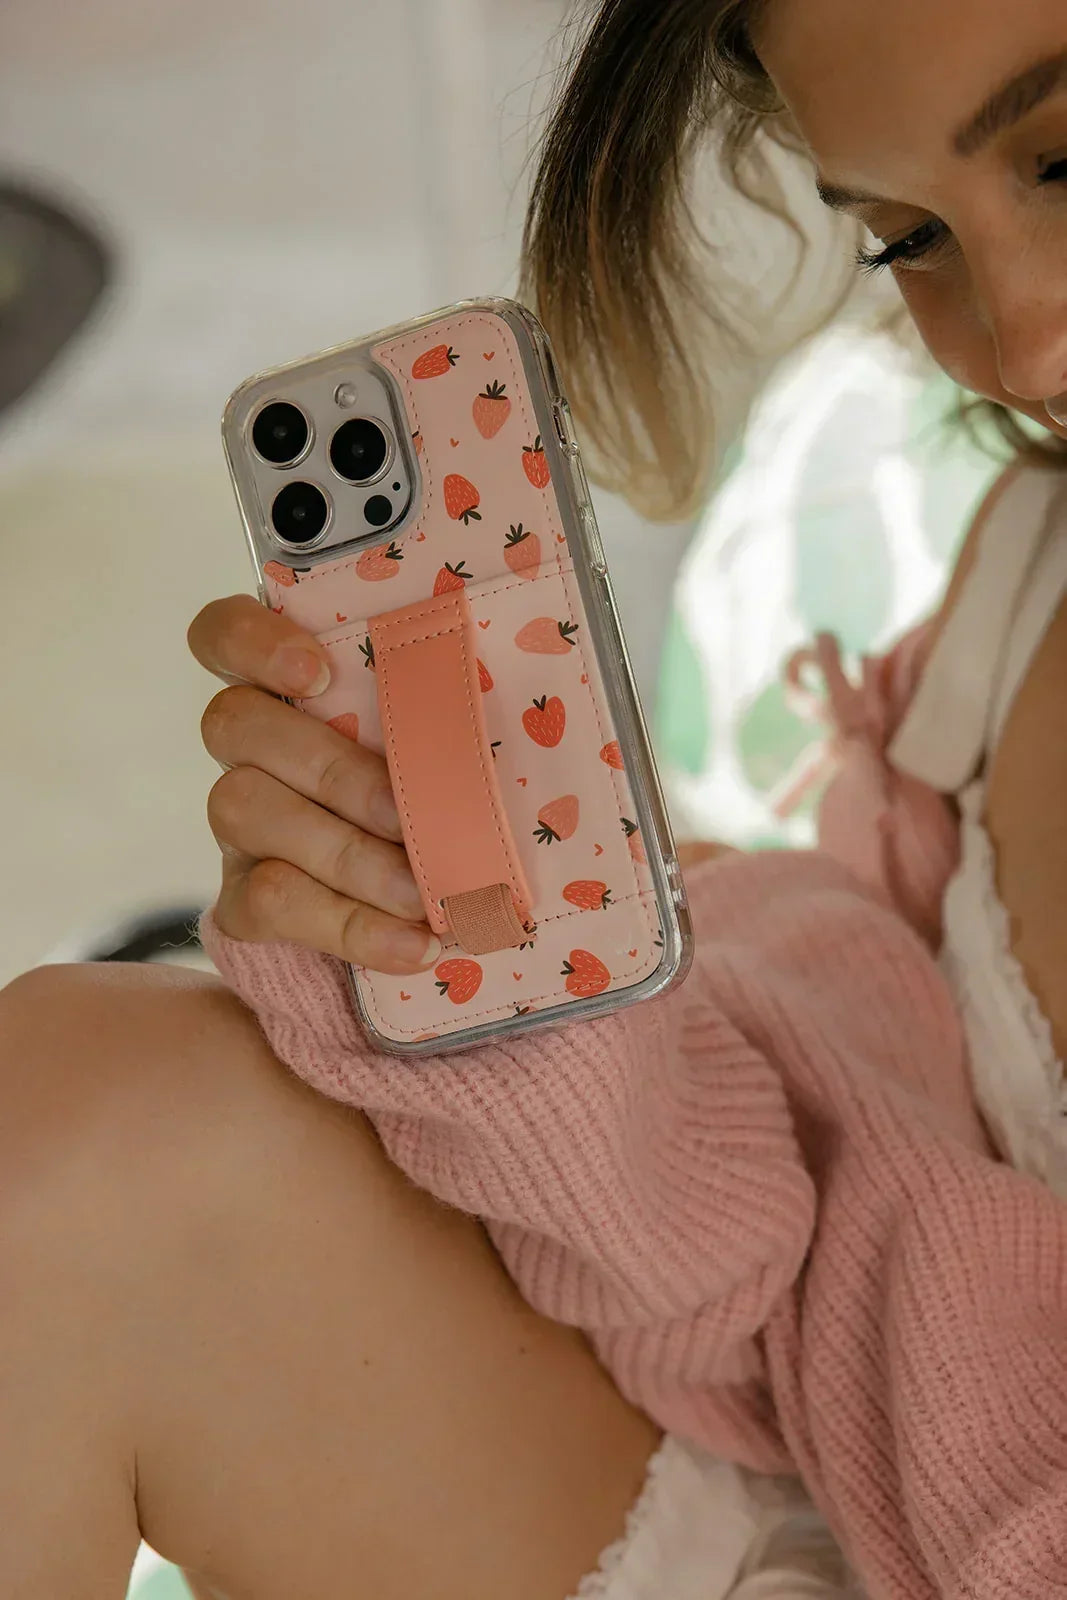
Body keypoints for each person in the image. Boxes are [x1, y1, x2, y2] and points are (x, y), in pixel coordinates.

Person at [3, 0, 1067, 1595]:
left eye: (1063, 159)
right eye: (907, 237)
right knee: (71, 1114)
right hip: (877, 1493)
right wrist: (525, 1000)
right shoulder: (1007, 619)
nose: (1024, 341)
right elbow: (748, 1281)